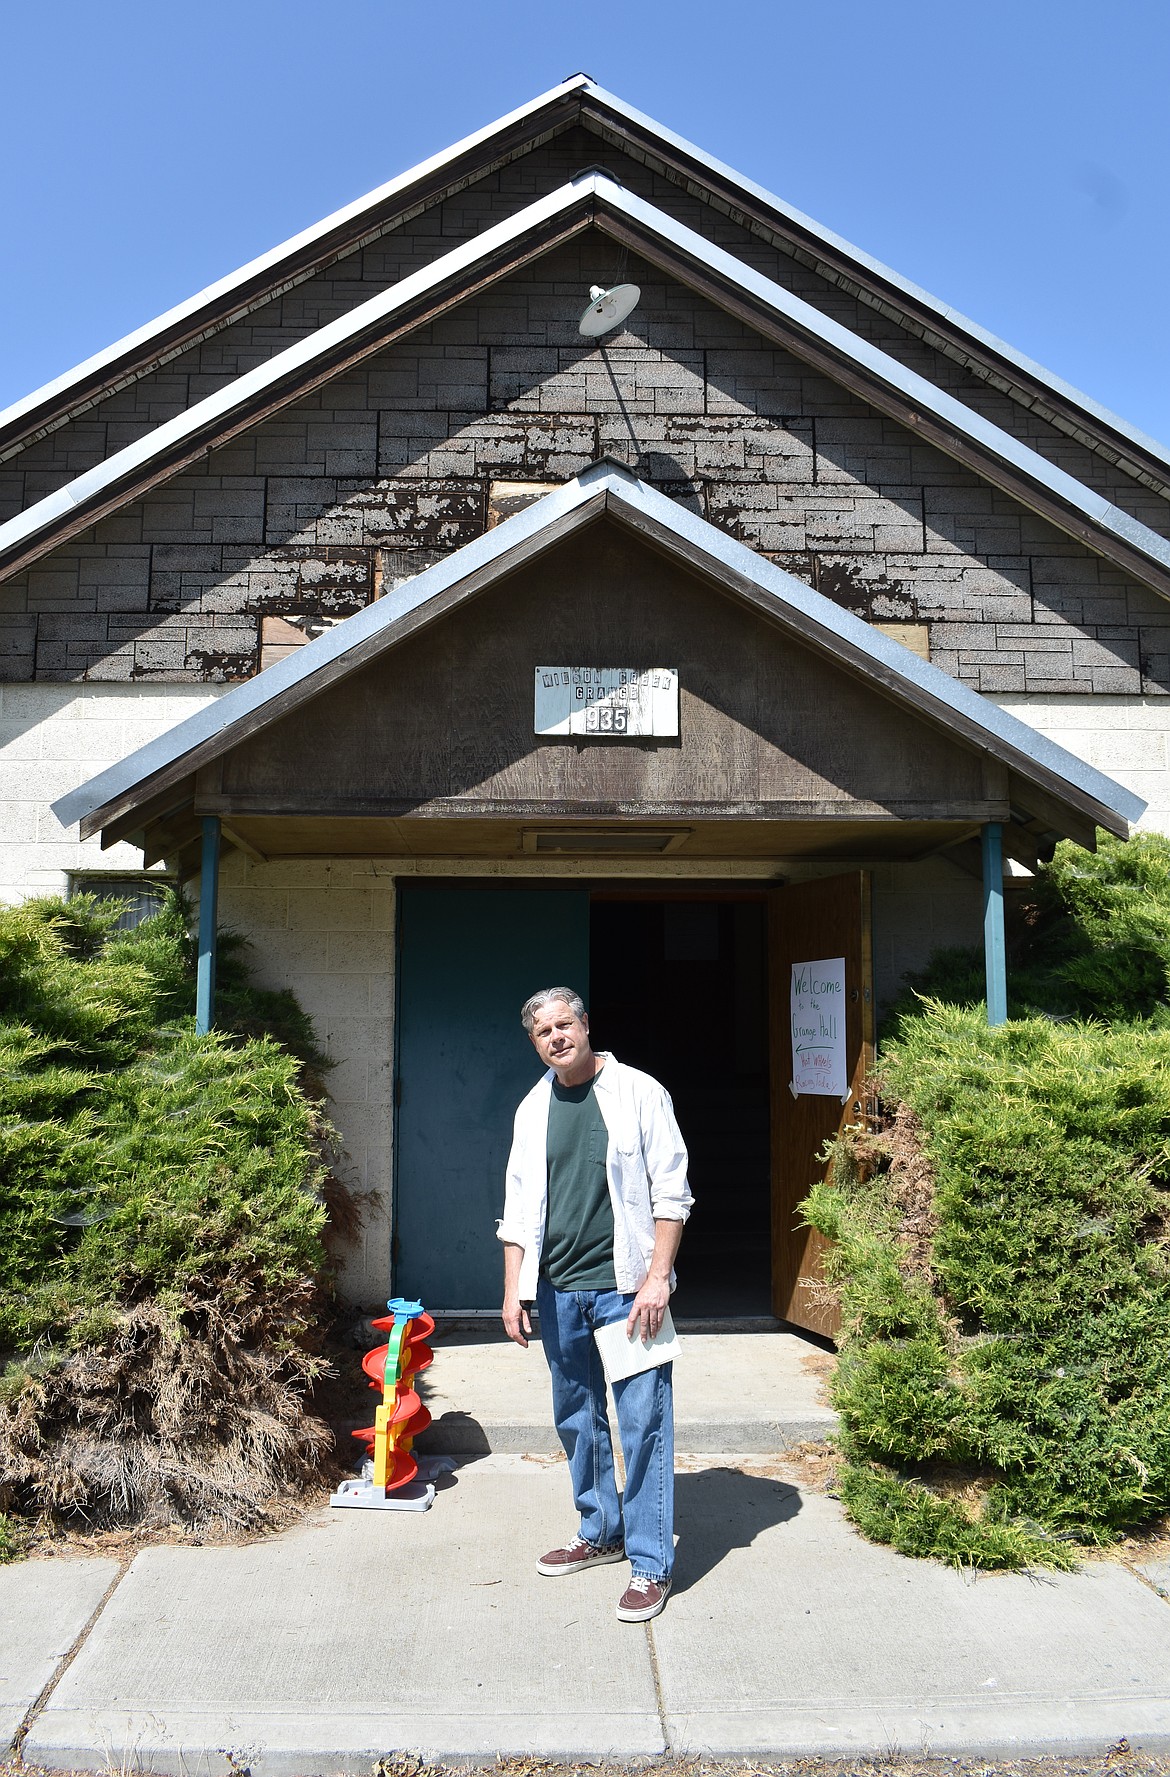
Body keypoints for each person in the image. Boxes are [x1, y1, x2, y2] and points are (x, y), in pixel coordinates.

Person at [497, 986, 692, 1622]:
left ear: (585, 1025)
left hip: (627, 1290)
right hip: (557, 1291)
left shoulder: (639, 1092)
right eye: (543, 1032)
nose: (556, 1037)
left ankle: (650, 1565)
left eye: (564, 1024)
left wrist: (658, 1277)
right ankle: (601, 1529)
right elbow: (518, 1208)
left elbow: (672, 1192)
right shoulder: (532, 1108)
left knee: (643, 1426)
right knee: (578, 1420)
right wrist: (513, 1288)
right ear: (535, 1044)